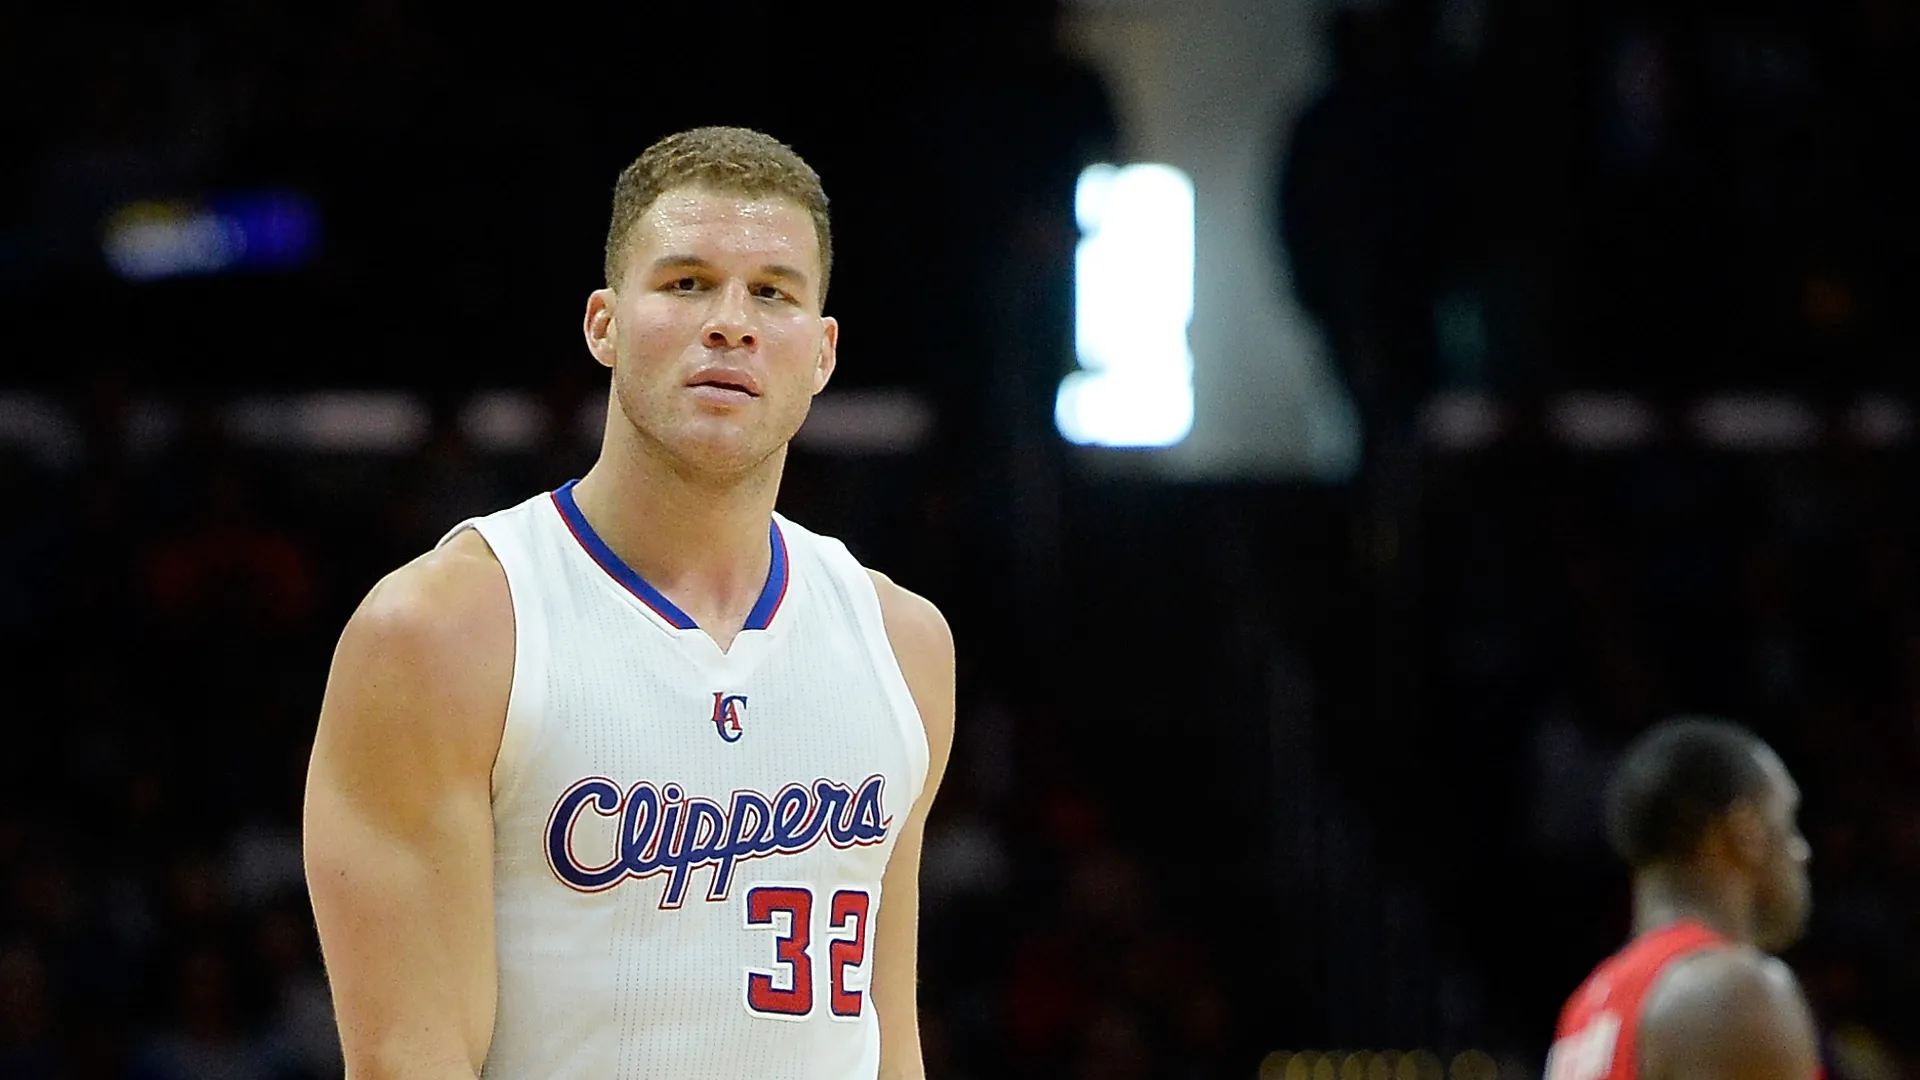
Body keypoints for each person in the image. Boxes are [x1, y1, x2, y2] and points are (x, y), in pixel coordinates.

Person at [303, 126, 955, 1079]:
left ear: (822, 354)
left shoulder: (905, 644)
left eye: (772, 292)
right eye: (687, 282)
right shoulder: (441, 632)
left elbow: (892, 1046)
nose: (731, 322)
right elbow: (409, 1060)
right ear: (603, 324)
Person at [1545, 717, 1819, 1080]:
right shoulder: (1734, 994)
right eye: (1790, 823)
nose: (1802, 852)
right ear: (1745, 833)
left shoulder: (1584, 1011)